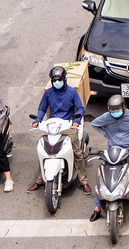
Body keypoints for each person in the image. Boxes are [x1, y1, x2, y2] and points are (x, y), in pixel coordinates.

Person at [88, 94, 129, 221]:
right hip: (113, 152)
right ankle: (97, 208)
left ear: (124, 107)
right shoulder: (107, 117)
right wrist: (106, 134)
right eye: (112, 110)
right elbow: (94, 124)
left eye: (117, 110)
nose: (114, 112)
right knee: (102, 177)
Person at [34, 65, 88, 193]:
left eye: (59, 80)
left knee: (77, 153)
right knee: (44, 150)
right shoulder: (48, 93)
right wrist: (38, 120)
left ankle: (83, 181)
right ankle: (40, 180)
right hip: (52, 125)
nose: (57, 82)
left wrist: (76, 121)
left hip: (67, 125)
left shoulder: (72, 92)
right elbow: (42, 108)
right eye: (54, 80)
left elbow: (80, 108)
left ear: (64, 79)